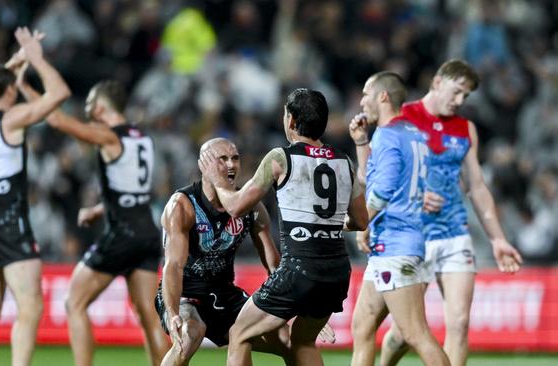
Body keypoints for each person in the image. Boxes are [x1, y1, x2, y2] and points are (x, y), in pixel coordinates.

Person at [370, 60, 523, 366]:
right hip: (413, 237)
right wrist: (413, 193)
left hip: (454, 232)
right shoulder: (403, 117)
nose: (459, 101)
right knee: (405, 330)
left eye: (465, 96)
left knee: (459, 323)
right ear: (438, 81)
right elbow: (380, 172)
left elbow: (477, 186)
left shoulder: (465, 129)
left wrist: (498, 239)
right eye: (457, 92)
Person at [199, 89, 368, 366]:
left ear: (290, 120)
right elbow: (361, 221)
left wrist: (217, 180)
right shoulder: (344, 162)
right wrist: (326, 225)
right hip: (337, 272)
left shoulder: (280, 158)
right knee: (303, 341)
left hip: (300, 269)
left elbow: (236, 207)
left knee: (239, 333)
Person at [16, 79, 170, 366]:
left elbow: (58, 119)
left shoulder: (109, 135)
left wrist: (25, 86)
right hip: (147, 231)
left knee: (74, 302)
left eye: (89, 103)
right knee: (148, 316)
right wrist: (100, 209)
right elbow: (133, 192)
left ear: (100, 107)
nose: (86, 109)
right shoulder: (141, 137)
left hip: (122, 233)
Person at [0, 27, 70, 366]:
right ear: (10, 90)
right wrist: (35, 60)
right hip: (11, 222)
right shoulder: (12, 119)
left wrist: (15, 60)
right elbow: (59, 93)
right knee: (30, 307)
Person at [156, 137, 295, 366]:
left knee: (286, 339)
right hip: (185, 292)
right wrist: (172, 314)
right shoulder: (182, 206)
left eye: (235, 158)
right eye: (222, 159)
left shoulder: (250, 206)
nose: (231, 165)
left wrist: (296, 305)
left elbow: (273, 263)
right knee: (191, 334)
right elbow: (173, 266)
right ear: (204, 165)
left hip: (224, 292)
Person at [348, 71, 450, 366]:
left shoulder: (389, 135)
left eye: (367, 93)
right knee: (362, 326)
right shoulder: (412, 134)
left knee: (415, 333)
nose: (362, 99)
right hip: (391, 244)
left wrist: (359, 221)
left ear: (383, 96)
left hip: (396, 245)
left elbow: (382, 189)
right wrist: (360, 142)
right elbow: (372, 177)